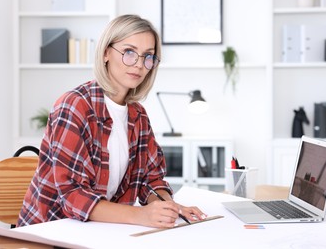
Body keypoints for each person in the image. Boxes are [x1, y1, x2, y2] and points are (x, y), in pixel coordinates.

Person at [17, 14, 207, 228]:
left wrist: (170, 207)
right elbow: (73, 196)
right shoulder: (74, 106)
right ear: (106, 52)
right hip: (50, 232)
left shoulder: (138, 116)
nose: (138, 64)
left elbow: (151, 180)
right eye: (129, 52)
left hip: (100, 232)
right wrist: (141, 216)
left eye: (147, 56)